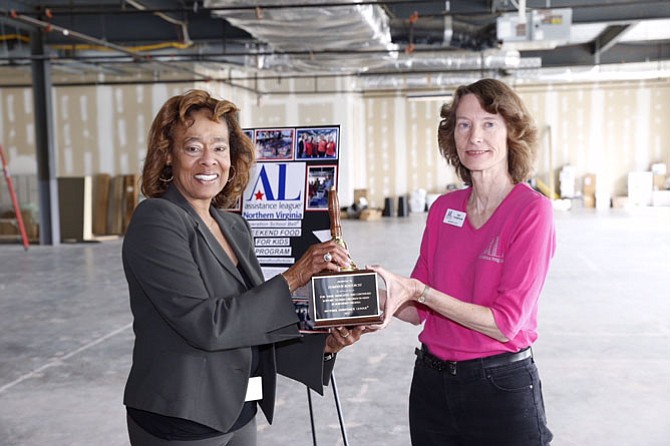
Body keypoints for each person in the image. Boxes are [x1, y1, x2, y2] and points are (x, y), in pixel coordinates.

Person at [122, 89, 366, 446]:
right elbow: (208, 325)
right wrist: (296, 275)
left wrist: (324, 346)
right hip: (182, 416)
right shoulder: (157, 220)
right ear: (168, 156)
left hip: (238, 408)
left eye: (220, 147)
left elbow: (252, 323)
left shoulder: (233, 226)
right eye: (193, 147)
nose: (209, 161)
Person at [372, 78, 556, 445]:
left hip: (499, 389)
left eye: (489, 123)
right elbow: (416, 307)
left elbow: (504, 324)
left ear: (511, 134)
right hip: (431, 386)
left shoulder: (531, 211)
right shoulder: (443, 209)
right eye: (463, 124)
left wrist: (420, 292)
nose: (474, 137)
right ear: (452, 135)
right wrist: (364, 294)